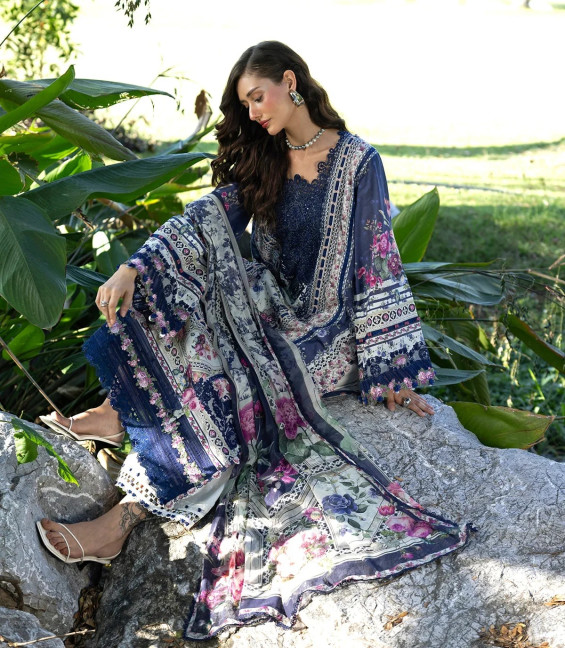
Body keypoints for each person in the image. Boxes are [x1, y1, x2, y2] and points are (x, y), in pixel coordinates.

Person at [37, 41, 473, 639]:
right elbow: (206, 220)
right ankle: (122, 410)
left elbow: (377, 265)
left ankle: (124, 518)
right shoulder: (267, 157)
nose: (253, 112)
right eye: (244, 104)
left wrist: (388, 369)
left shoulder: (358, 163)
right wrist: (135, 267)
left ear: (290, 81)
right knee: (191, 289)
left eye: (258, 97)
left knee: (236, 389)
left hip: (328, 336)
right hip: (267, 309)